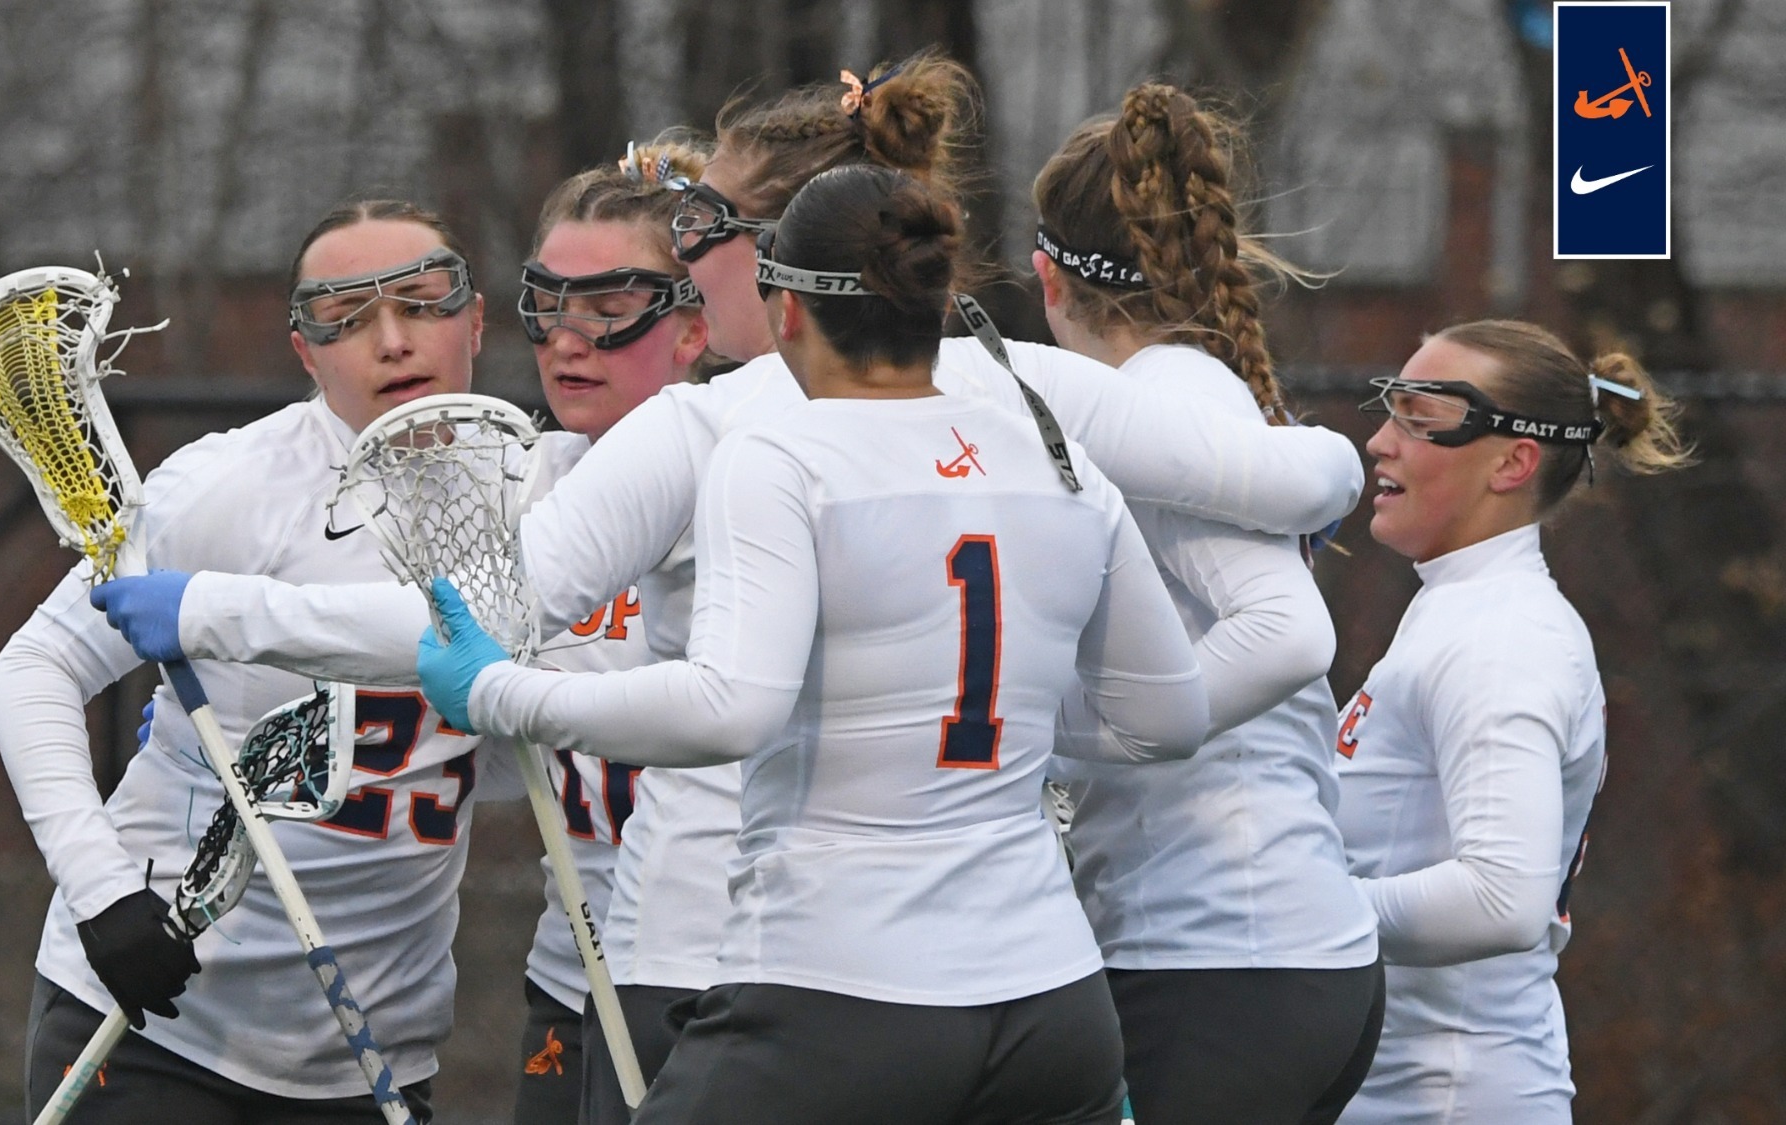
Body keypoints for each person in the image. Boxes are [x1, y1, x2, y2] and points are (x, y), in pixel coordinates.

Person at [119, 51, 1366, 1120]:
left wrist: (222, 612)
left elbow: (548, 645)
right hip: (1031, 991)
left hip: (753, 968)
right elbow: (1292, 486)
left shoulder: (726, 431)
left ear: (786, 255)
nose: (676, 251)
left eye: (701, 228)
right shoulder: (1028, 396)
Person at [419, 163, 1211, 1125]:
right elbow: (1168, 716)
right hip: (1052, 1006)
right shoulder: (1058, 458)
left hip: (839, 994)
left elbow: (730, 704)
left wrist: (501, 692)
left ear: (785, 310)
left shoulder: (778, 452)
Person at [0, 199, 498, 1122]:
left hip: (369, 1048)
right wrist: (102, 894)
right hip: (157, 1019)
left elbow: (501, 728)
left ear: (477, 318)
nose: (392, 341)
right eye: (345, 320)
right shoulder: (227, 487)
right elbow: (32, 670)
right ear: (306, 353)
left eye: (423, 302)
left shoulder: (543, 490)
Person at [1028, 84, 1384, 1125]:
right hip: (1255, 959)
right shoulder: (1190, 395)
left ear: (1047, 279)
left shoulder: (1162, 402)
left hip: (1219, 959)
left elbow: (1284, 634)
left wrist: (1065, 734)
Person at [1334, 320, 1691, 1124]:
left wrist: (1295, 914)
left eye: (1422, 419)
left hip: (1444, 1097)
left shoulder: (1501, 639)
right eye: (1391, 410)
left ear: (1513, 461)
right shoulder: (1461, 607)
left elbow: (1502, 896)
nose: (1380, 443)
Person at [506, 137, 709, 1125]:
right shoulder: (513, 481)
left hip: (718, 969)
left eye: (610, 310)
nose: (566, 341)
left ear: (697, 323)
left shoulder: (754, 479)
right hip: (572, 966)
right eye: (547, 305)